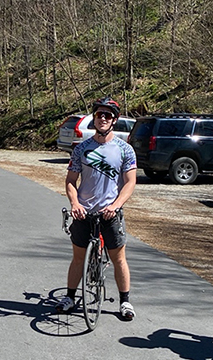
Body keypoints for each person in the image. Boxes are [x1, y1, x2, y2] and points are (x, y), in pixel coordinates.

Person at [57, 96, 137, 320]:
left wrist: (116, 205)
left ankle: (125, 302)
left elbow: (130, 182)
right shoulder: (81, 148)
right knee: (78, 258)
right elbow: (71, 181)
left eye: (107, 115)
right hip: (84, 211)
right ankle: (70, 296)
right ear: (94, 118)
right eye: (99, 114)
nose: (103, 118)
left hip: (110, 212)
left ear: (114, 120)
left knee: (119, 258)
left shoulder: (124, 149)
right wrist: (74, 203)